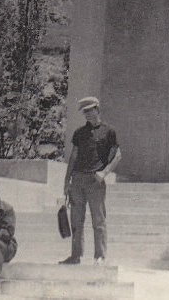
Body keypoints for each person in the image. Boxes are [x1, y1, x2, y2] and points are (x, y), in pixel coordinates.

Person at [59, 96, 121, 266]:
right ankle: (76, 256)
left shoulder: (109, 131)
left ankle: (99, 256)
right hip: (77, 180)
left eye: (90, 110)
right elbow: (73, 157)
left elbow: (117, 156)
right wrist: (67, 181)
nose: (87, 114)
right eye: (84, 111)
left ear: (97, 109)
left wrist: (104, 173)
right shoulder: (79, 133)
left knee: (98, 220)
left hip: (95, 181)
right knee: (76, 220)